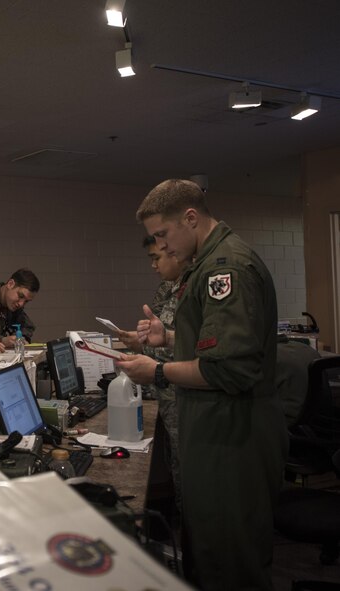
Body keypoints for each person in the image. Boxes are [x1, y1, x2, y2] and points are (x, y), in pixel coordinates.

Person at [116, 179, 286, 591]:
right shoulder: (206, 262)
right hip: (214, 431)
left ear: (190, 218)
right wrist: (169, 339)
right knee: (207, 555)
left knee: (229, 564)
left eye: (162, 234)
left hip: (231, 437)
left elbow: (227, 369)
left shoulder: (225, 268)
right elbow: (217, 341)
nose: (160, 246)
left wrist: (155, 371)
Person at [116, 236, 184, 512]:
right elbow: (163, 336)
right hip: (167, 392)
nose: (154, 265)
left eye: (157, 257)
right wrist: (140, 341)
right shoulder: (169, 287)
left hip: (183, 392)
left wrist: (154, 366)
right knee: (178, 472)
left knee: (189, 478)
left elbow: (201, 347)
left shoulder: (197, 288)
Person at [0, 268, 40, 347]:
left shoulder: (14, 305)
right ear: (10, 284)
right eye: (20, 296)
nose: (21, 304)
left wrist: (21, 338)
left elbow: (27, 327)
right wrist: (2, 340)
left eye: (26, 301)